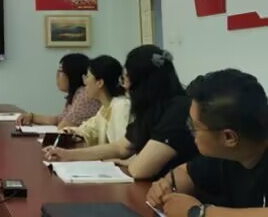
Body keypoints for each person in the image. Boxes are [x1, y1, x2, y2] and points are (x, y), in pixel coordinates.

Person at [43, 45, 198, 180]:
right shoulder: (152, 108)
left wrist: (128, 162)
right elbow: (121, 147)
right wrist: (67, 155)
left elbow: (139, 170)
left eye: (126, 79)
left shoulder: (177, 110)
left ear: (141, 82)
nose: (125, 87)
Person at [146, 69, 268, 217]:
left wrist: (199, 213)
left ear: (229, 137)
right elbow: (185, 172)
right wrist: (166, 186)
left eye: (194, 126)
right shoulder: (230, 154)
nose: (190, 131)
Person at [61, 55, 131, 146]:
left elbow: (122, 147)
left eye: (87, 77)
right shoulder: (105, 108)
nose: (85, 82)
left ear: (100, 83)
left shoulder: (122, 106)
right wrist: (70, 132)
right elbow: (88, 130)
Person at [17, 53, 99, 129]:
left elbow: (62, 128)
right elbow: (58, 119)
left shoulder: (85, 96)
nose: (57, 75)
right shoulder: (77, 93)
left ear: (73, 73)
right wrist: (32, 117)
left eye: (60, 70)